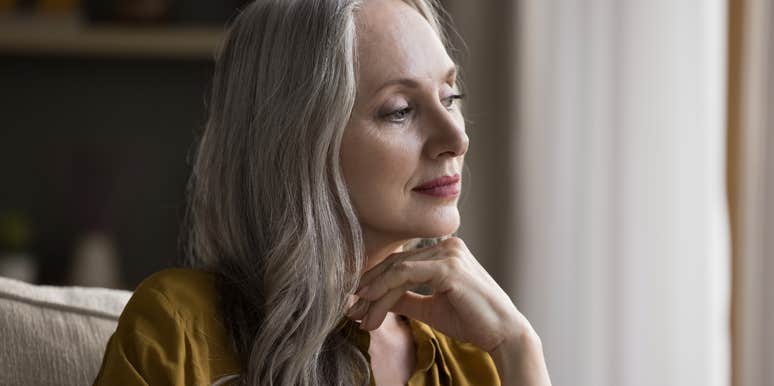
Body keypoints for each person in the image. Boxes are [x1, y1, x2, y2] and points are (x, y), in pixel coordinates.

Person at [93, 0, 552, 385]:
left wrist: (521, 349)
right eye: (400, 110)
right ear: (297, 141)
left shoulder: (473, 359)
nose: (456, 137)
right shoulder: (178, 334)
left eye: (450, 97)